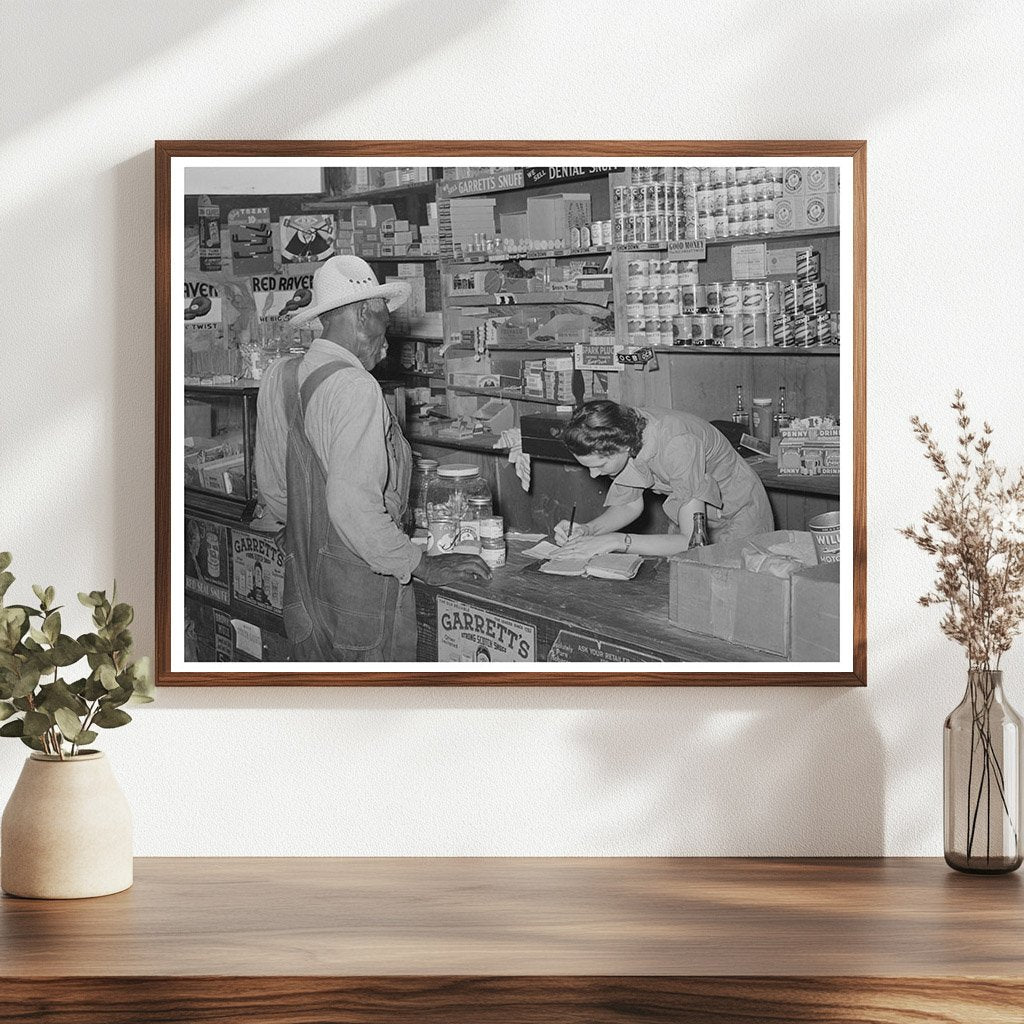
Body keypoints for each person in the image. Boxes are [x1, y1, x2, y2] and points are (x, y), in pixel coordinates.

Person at [255, 255, 490, 661]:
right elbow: (353, 508)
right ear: (364, 314)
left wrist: (315, 537)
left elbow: (276, 493)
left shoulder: (281, 374)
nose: (387, 338)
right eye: (385, 321)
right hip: (360, 599)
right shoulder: (356, 388)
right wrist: (423, 565)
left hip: (305, 594)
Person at [554, 400, 773, 559]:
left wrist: (615, 541)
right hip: (691, 511)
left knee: (731, 592)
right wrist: (588, 531)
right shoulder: (621, 431)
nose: (594, 475)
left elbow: (690, 541)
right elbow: (628, 505)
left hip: (737, 511)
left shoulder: (676, 444)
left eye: (599, 466)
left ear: (624, 447)